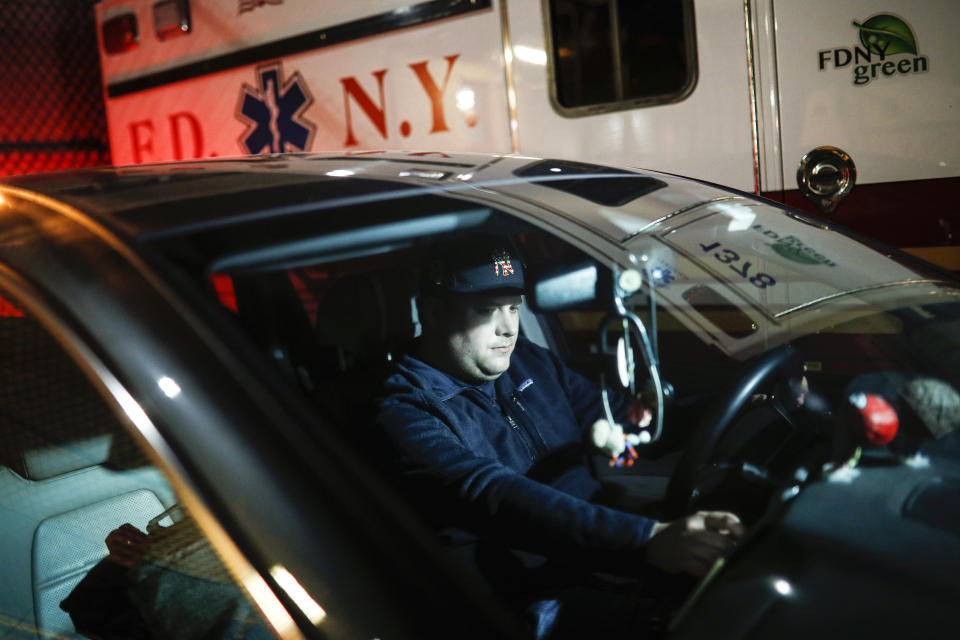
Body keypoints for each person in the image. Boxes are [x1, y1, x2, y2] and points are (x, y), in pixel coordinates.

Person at [375, 236, 742, 638]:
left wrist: (740, 402)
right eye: (486, 311)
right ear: (434, 313)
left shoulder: (528, 360)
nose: (508, 329)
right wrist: (644, 540)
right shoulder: (404, 409)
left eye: (514, 308)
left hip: (597, 550)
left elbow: (627, 421)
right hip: (525, 598)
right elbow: (490, 492)